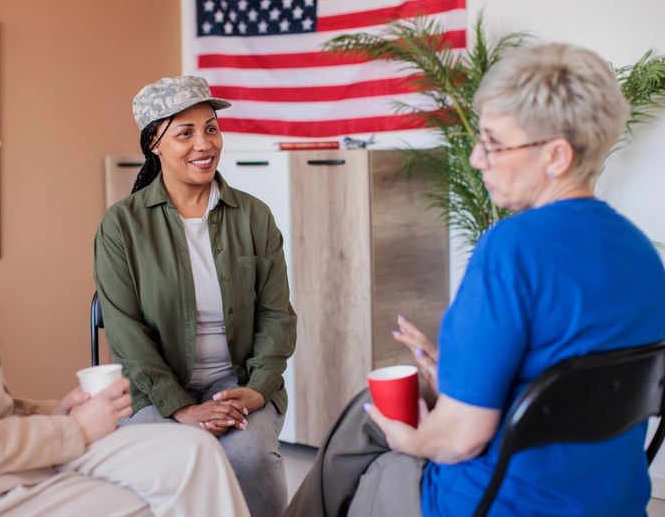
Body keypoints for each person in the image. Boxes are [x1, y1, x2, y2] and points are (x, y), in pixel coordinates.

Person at [284, 42, 665, 517]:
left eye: (493, 142)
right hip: (613, 502)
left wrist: (413, 439)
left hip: (493, 504)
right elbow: (576, 386)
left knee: (371, 435)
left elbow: (459, 441)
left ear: (557, 156)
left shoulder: (510, 250)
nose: (477, 159)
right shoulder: (643, 253)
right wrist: (457, 375)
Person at [0, 59, 250, 517]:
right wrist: (77, 431)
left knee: (193, 455)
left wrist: (55, 411)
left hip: (2, 462)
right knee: (147, 503)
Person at [93, 75, 296, 517]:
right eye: (185, 133)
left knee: (250, 456)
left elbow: (277, 317)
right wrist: (181, 407)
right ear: (154, 145)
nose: (204, 144)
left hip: (237, 382)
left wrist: (257, 390)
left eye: (211, 128)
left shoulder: (254, 216)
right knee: (177, 460)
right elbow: (127, 336)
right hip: (155, 391)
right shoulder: (122, 226)